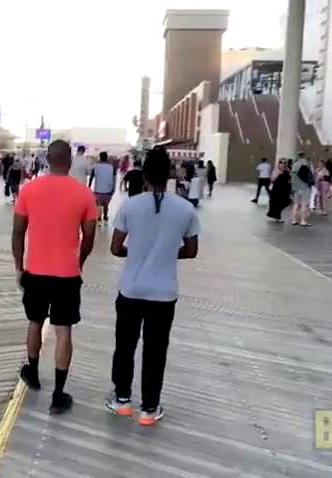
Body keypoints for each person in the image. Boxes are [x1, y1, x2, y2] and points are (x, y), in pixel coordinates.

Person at [105, 146, 200, 426]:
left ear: (144, 175)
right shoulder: (185, 209)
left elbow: (115, 248)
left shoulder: (130, 206)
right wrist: (165, 253)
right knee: (156, 351)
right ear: (169, 174)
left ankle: (122, 400)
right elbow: (191, 251)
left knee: (125, 345)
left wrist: (138, 252)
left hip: (131, 289)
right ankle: (149, 408)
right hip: (164, 293)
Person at [13, 139, 97, 415]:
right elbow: (89, 237)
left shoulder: (29, 189)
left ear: (47, 159)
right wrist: (80, 261)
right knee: (63, 331)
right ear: (69, 161)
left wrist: (19, 267)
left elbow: (18, 232)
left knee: (35, 322)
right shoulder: (84, 194)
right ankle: (59, 394)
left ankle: (33, 373)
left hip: (35, 272)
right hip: (67, 275)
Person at [89, 151, 117, 223]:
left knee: (98, 205)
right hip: (108, 189)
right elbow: (114, 178)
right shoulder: (111, 167)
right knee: (106, 204)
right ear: (107, 158)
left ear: (100, 157)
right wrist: (114, 187)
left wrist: (89, 186)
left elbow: (91, 177)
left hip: (98, 189)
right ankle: (105, 216)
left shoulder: (95, 166)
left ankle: (99, 217)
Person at [290, 153, 313, 226]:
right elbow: (311, 173)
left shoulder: (295, 164)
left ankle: (294, 220)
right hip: (304, 187)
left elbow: (292, 176)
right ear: (304, 156)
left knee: (295, 204)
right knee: (304, 204)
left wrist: (293, 187)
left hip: (296, 187)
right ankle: (303, 221)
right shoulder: (307, 163)